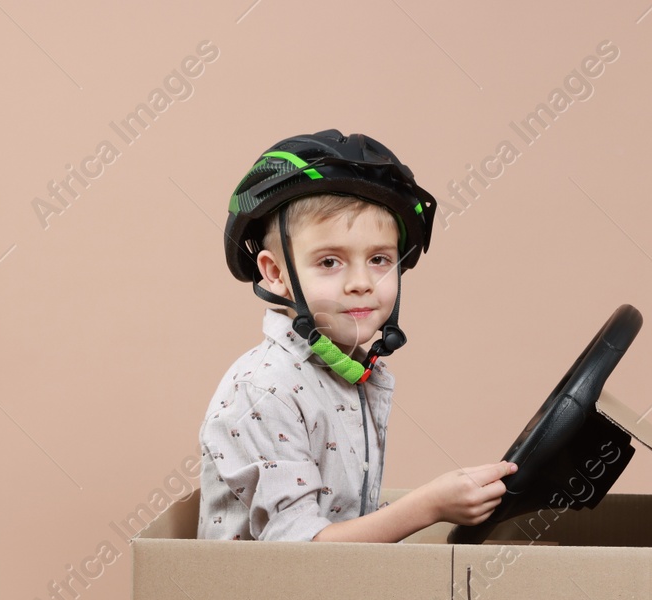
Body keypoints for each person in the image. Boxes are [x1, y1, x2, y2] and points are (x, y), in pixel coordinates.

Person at [198, 129, 514, 542]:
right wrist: (429, 506)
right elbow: (299, 555)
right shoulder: (264, 391)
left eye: (380, 259)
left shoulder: (347, 372)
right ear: (276, 274)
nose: (361, 282)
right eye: (330, 261)